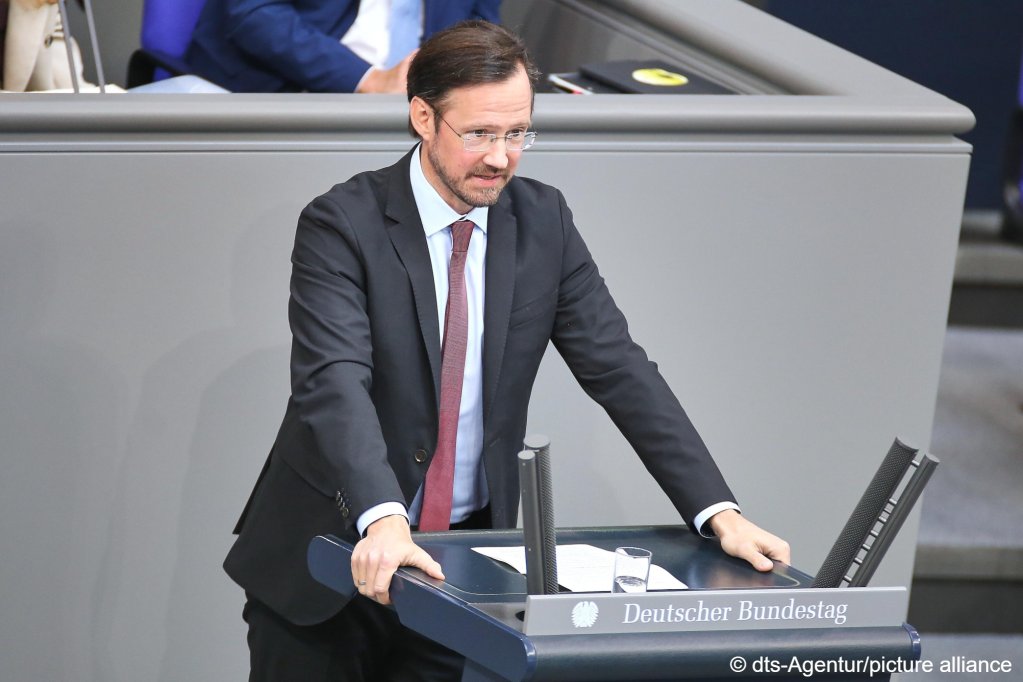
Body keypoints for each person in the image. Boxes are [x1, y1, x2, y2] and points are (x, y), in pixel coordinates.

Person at [224, 19, 791, 681]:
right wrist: (382, 520)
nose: (500, 157)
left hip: (456, 568)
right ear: (422, 117)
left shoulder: (541, 222)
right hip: (327, 556)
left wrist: (717, 511)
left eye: (516, 132)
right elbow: (333, 381)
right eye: (479, 134)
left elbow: (618, 366)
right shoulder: (341, 222)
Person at [185, 0, 500, 93]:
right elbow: (254, 15)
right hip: (278, 90)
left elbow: (479, 31)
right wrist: (368, 79)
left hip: (419, 109)